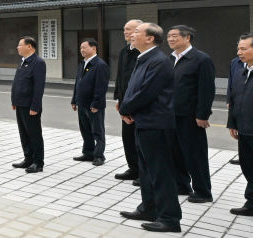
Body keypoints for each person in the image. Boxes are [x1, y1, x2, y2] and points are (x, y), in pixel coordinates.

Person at [118, 23, 181, 233]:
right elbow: (132, 88)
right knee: (146, 170)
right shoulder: (143, 58)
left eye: (137, 32)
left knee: (160, 172)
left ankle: (170, 219)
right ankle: (149, 208)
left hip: (156, 124)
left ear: (150, 38)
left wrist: (126, 108)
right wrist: (127, 110)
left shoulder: (159, 61)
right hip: (143, 121)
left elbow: (147, 92)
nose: (131, 35)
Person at [167, 25, 216, 203]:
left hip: (191, 116)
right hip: (172, 114)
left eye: (174, 36)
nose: (170, 39)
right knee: (175, 152)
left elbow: (207, 89)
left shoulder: (201, 59)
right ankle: (182, 185)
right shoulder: (170, 59)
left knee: (195, 154)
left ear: (187, 38)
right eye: (169, 36)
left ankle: (203, 191)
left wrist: (202, 114)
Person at [71, 38, 110, 165]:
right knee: (85, 130)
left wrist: (96, 103)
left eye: (84, 47)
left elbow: (101, 87)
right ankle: (88, 153)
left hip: (93, 105)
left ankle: (99, 156)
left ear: (94, 48)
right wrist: (74, 99)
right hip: (81, 103)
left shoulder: (100, 65)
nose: (82, 50)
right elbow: (78, 83)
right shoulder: (82, 63)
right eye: (81, 48)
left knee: (97, 131)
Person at [10, 36, 46, 173]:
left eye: (20, 45)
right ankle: (28, 158)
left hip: (30, 106)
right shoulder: (23, 62)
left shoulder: (38, 63)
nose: (17, 47)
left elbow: (39, 87)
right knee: (24, 133)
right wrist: (14, 101)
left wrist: (35, 106)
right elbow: (17, 82)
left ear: (29, 46)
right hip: (20, 104)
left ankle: (38, 162)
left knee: (34, 134)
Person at [114, 19, 143, 181]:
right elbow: (120, 77)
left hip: (138, 104)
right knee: (128, 138)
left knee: (139, 139)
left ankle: (142, 171)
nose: (125, 32)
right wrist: (118, 98)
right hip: (124, 102)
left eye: (129, 29)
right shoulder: (124, 51)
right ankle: (133, 168)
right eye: (124, 29)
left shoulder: (142, 53)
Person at [228, 33, 253, 216]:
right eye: (238, 48)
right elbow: (234, 99)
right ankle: (251, 202)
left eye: (243, 49)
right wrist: (232, 123)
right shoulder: (241, 70)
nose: (239, 52)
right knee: (247, 166)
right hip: (244, 129)